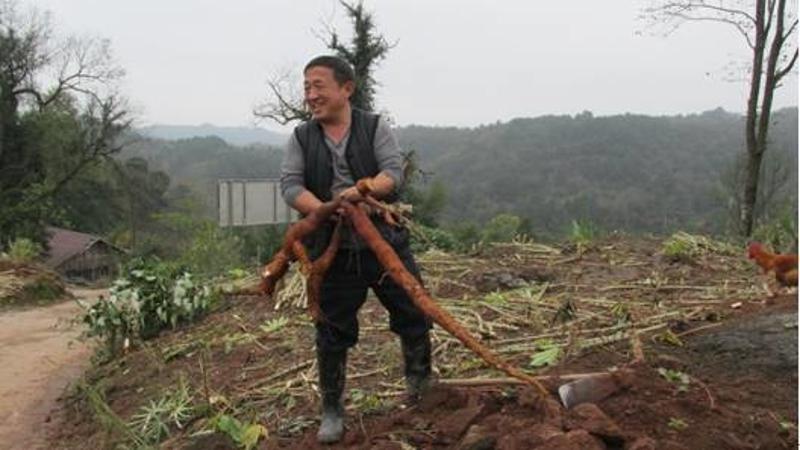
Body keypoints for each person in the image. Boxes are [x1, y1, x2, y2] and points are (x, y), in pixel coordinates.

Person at [279, 55, 433, 444]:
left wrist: (362, 190)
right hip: (331, 249)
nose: (311, 95)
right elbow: (291, 186)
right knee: (331, 330)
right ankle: (332, 409)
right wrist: (324, 209)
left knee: (414, 311)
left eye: (319, 86)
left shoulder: (374, 126)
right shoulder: (301, 137)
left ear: (346, 88)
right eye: (307, 87)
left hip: (383, 241)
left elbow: (392, 174)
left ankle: (420, 388)